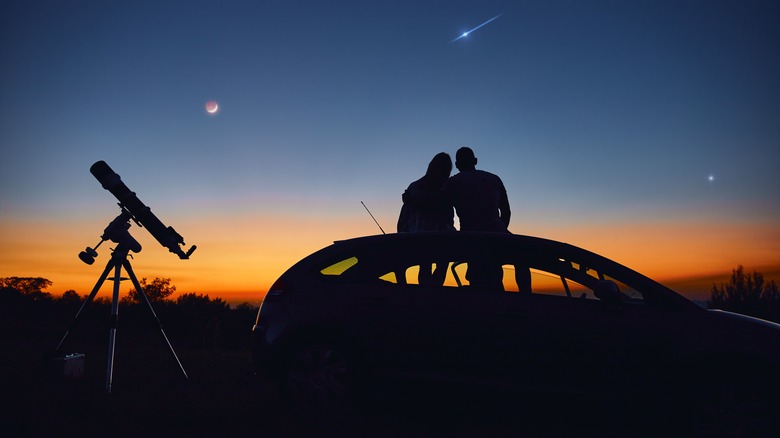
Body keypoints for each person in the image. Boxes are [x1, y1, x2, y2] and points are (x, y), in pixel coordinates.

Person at [443, 146, 511, 232]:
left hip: (470, 236)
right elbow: (506, 211)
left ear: (457, 165)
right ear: (475, 161)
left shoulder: (452, 183)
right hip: (497, 234)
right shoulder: (495, 179)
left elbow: (444, 214)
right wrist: (501, 231)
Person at [397, 152, 455, 233]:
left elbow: (403, 220)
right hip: (440, 240)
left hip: (416, 238)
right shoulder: (447, 189)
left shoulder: (413, 187)